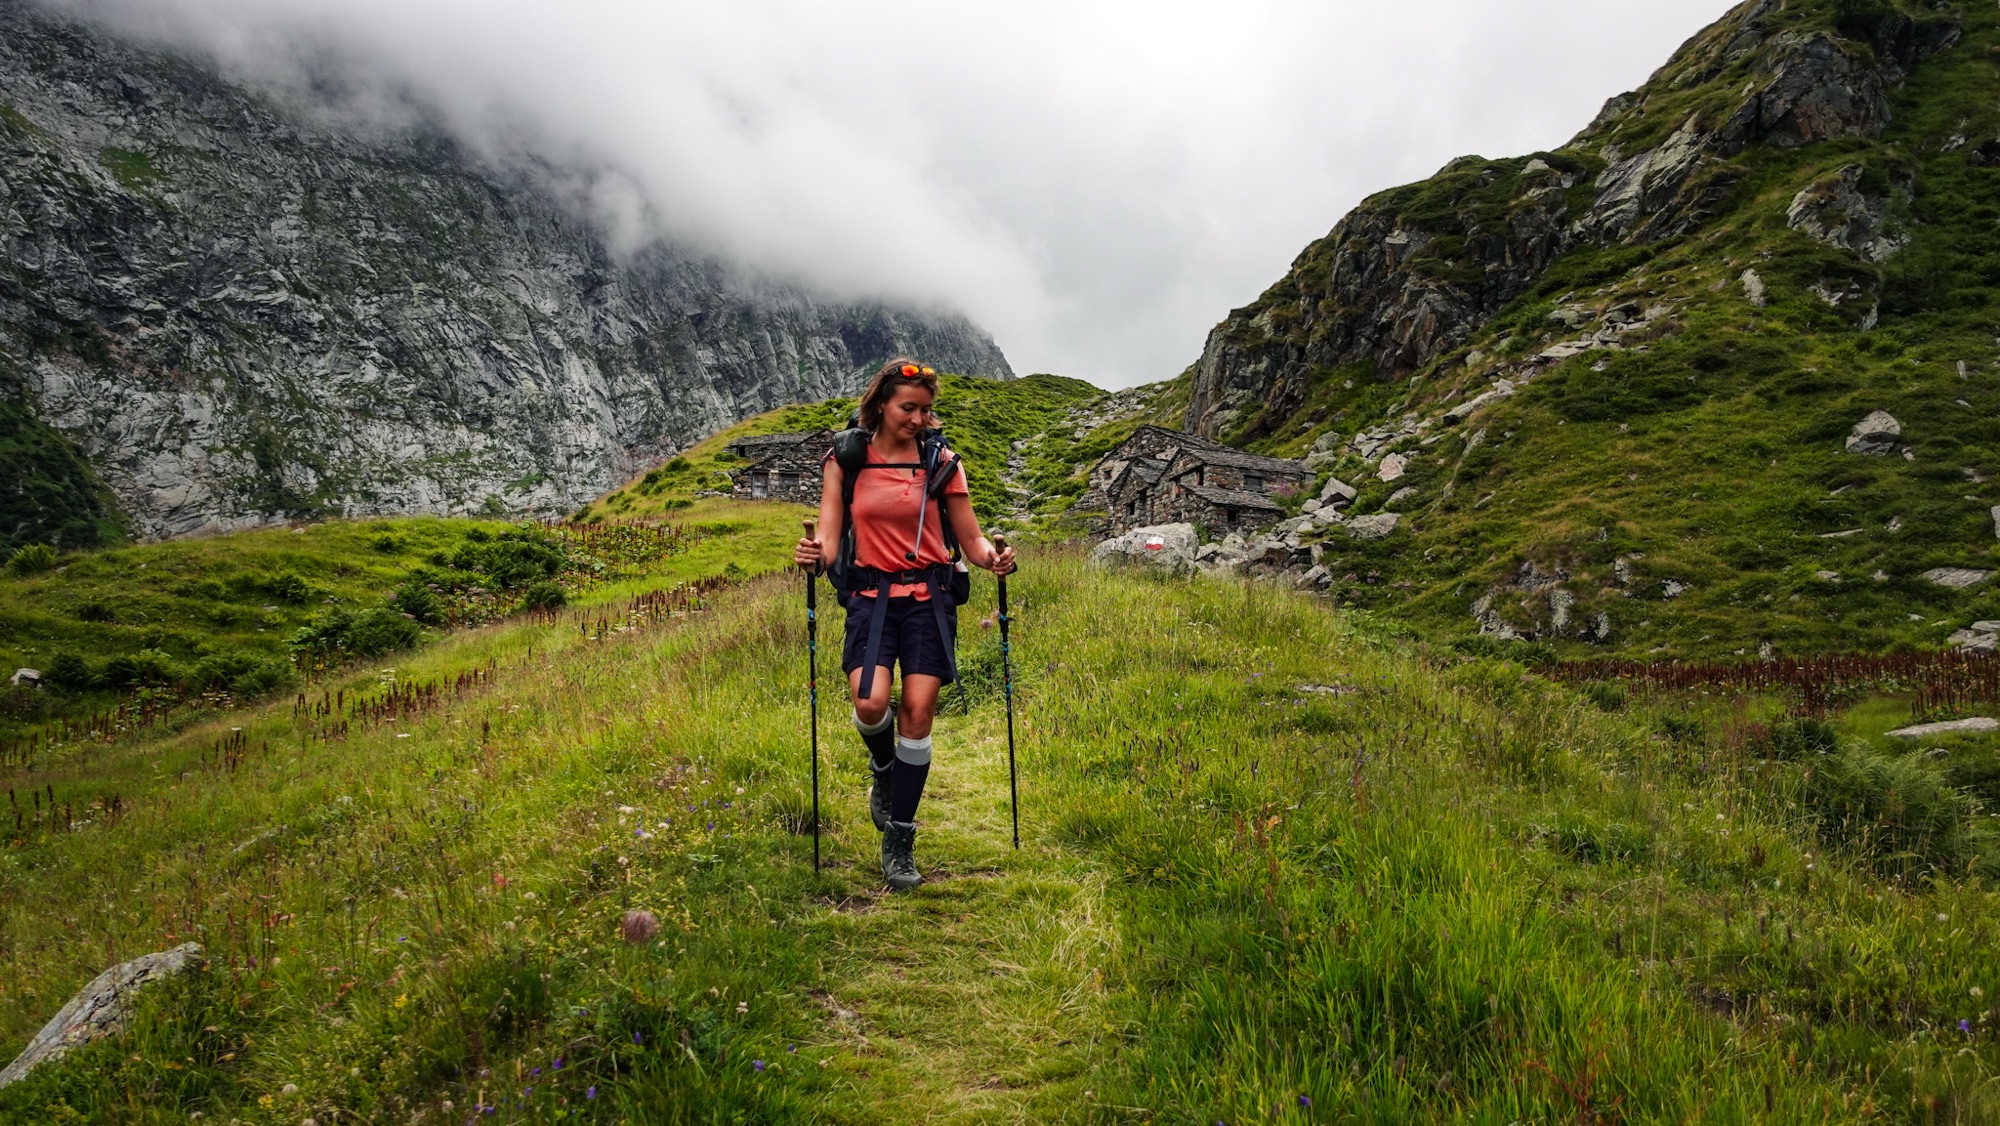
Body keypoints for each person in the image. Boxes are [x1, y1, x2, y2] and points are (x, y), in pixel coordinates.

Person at [793, 360, 1016, 890]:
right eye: (907, 408)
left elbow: (972, 540)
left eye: (924, 409)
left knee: (917, 712)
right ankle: (884, 770)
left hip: (929, 598)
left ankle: (900, 837)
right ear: (881, 405)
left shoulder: (942, 463)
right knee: (870, 703)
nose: (918, 419)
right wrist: (812, 554)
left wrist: (995, 558)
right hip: (870, 597)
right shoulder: (845, 459)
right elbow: (828, 535)